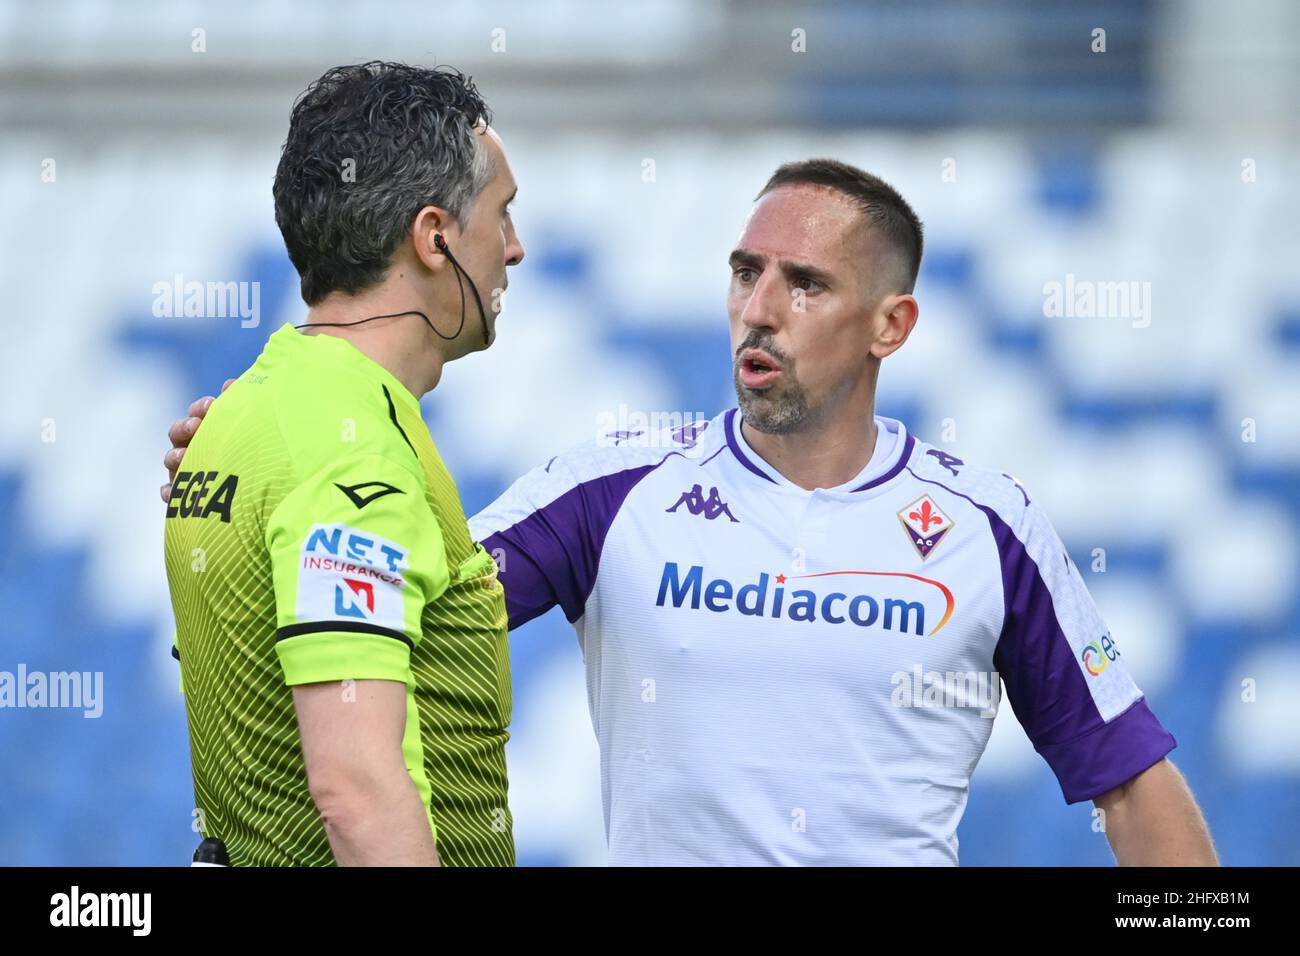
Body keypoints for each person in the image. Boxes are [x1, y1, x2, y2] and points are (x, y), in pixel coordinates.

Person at [165, 158, 1217, 866]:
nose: (759, 308)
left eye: (804, 283)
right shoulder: (614, 487)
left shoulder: (987, 525)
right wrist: (275, 474)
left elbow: (1129, 784)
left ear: (890, 324)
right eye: (745, 272)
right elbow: (388, 599)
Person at [162, 61, 525, 866]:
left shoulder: (259, 407)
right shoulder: (344, 446)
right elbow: (356, 790)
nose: (515, 250)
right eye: (500, 216)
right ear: (435, 237)